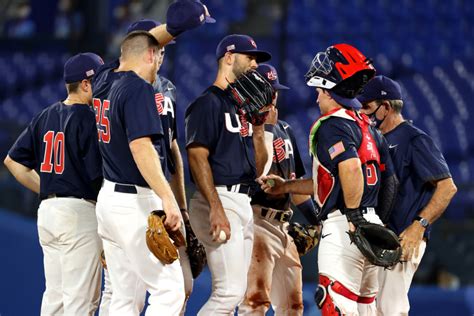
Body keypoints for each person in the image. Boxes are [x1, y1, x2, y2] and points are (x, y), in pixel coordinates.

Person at [91, 2, 214, 314]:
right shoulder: (138, 90)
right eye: (158, 52)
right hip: (136, 201)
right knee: (169, 290)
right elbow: (141, 148)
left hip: (110, 198)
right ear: (150, 53)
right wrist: (168, 199)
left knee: (124, 298)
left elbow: (137, 45)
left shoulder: (105, 80)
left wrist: (172, 30)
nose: (161, 61)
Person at [260, 44, 397, 316]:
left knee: (336, 306)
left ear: (330, 89)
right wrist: (287, 186)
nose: (316, 99)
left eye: (319, 92)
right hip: (371, 224)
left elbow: (350, 168)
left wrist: (355, 217)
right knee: (366, 308)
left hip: (345, 224)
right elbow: (389, 181)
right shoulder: (369, 126)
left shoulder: (332, 124)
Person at [4, 52, 104, 315]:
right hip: (79, 214)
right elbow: (98, 179)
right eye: (99, 80)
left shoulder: (45, 115)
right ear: (85, 84)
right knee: (81, 303)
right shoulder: (88, 119)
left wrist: (48, 188)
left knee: (55, 299)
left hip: (48, 213)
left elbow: (12, 162)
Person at [185, 34, 272, 315]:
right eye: (250, 57)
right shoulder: (207, 103)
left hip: (243, 201)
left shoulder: (243, 107)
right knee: (228, 292)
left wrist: (259, 129)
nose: (255, 64)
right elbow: (197, 157)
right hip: (220, 198)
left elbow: (259, 169)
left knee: (239, 293)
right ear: (229, 57)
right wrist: (215, 207)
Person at [357, 75, 458, 315]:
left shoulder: (414, 139)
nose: (362, 112)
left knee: (390, 309)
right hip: (378, 238)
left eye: (367, 107)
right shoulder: (377, 140)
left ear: (386, 107)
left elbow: (447, 187)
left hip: (401, 238)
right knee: (371, 310)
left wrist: (419, 226)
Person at [238, 63, 319, 315]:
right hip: (257, 220)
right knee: (255, 302)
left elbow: (295, 187)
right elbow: (259, 172)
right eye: (267, 89)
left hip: (284, 226)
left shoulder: (286, 128)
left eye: (275, 90)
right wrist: (268, 127)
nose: (274, 95)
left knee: (293, 306)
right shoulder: (245, 128)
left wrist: (317, 220)